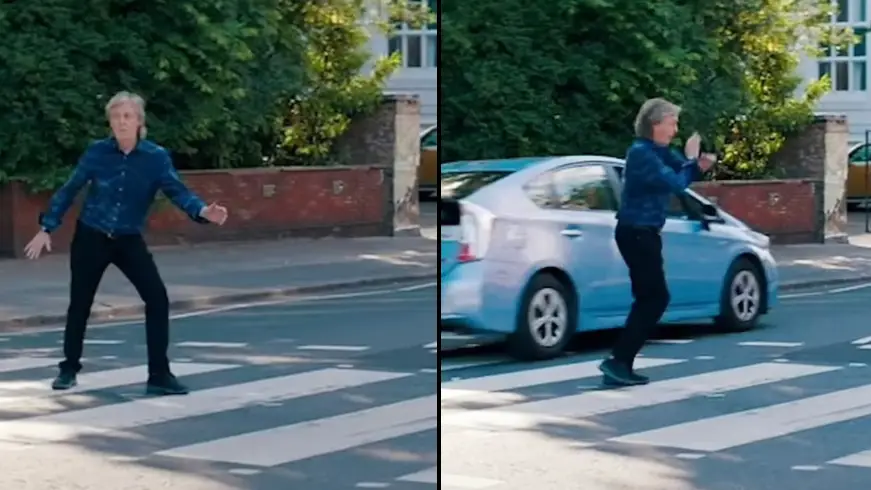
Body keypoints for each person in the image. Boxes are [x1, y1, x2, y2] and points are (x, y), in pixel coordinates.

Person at [23, 91, 229, 395]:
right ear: (110, 121)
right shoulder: (97, 153)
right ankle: (68, 369)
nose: (121, 121)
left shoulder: (155, 158)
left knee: (157, 299)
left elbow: (177, 191)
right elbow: (70, 189)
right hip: (92, 235)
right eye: (116, 116)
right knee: (80, 302)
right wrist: (47, 227)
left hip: (128, 238)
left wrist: (202, 211)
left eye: (128, 116)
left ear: (139, 123)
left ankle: (159, 375)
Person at [598, 97, 715, 387]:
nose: (675, 129)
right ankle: (618, 361)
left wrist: (700, 162)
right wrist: (692, 162)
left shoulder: (659, 151)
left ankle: (620, 361)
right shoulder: (640, 153)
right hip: (636, 231)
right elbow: (675, 183)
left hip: (645, 232)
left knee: (650, 298)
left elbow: (684, 172)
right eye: (672, 123)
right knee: (655, 298)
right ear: (655, 124)